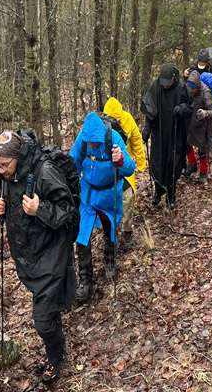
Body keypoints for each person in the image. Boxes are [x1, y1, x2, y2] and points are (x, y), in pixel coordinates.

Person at [0, 129, 76, 383]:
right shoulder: (5, 177)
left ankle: (56, 356)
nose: (1, 170)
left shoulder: (44, 172)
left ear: (18, 156)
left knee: (42, 320)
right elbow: (6, 205)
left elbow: (67, 210)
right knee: (48, 310)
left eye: (5, 164)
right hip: (28, 255)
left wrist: (41, 209)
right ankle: (54, 327)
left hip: (52, 252)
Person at [68, 111, 135, 303]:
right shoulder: (84, 138)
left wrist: (120, 160)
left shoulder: (112, 138)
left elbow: (129, 168)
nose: (92, 146)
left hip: (109, 193)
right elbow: (73, 162)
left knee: (110, 228)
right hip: (88, 192)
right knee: (82, 235)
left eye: (95, 143)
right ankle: (85, 280)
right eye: (90, 143)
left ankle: (110, 260)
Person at [142, 64, 190, 210]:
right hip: (159, 133)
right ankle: (158, 191)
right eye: (163, 82)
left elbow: (190, 107)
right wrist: (146, 130)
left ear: (173, 78)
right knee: (158, 162)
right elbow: (149, 110)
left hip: (175, 134)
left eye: (167, 82)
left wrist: (181, 108)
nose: (165, 85)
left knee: (172, 163)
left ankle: (171, 195)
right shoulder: (156, 86)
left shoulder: (181, 87)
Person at [101, 97, 145, 240]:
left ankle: (127, 231)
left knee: (127, 198)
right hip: (107, 169)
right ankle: (110, 232)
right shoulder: (101, 126)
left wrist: (140, 162)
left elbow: (137, 141)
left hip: (125, 167)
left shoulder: (128, 119)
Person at [184, 70, 212, 182]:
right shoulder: (188, 89)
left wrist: (205, 113)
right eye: (190, 89)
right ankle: (192, 164)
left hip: (203, 125)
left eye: (193, 89)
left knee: (202, 149)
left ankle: (204, 172)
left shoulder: (206, 92)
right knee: (187, 143)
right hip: (191, 121)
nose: (191, 91)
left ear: (197, 87)